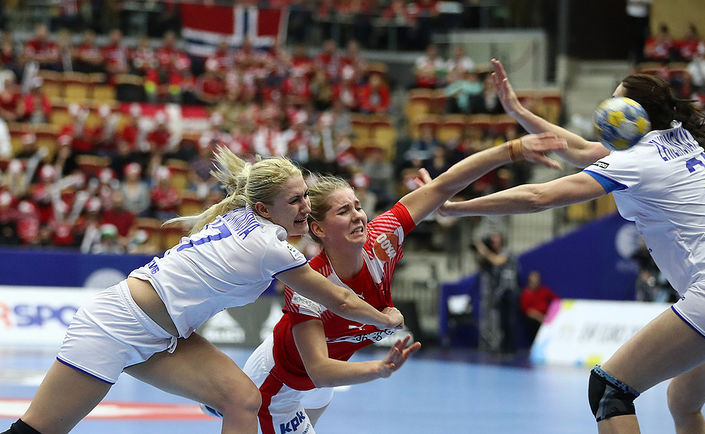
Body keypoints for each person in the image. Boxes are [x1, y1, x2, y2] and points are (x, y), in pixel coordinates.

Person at [439, 59, 705, 434]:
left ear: (636, 115)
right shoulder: (677, 137)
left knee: (610, 389)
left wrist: (457, 207)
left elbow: (538, 196)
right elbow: (578, 148)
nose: (606, 111)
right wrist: (518, 111)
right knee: (684, 400)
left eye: (616, 103)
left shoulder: (638, 161)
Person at [2, 147, 404, 434]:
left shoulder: (245, 217)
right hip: (116, 327)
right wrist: (385, 318)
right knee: (38, 430)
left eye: (306, 197)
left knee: (243, 400)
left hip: (168, 337)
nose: (306, 209)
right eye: (296, 200)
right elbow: (340, 299)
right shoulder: (269, 245)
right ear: (264, 209)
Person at [203, 129, 568, 433]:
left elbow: (443, 187)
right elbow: (319, 368)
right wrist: (379, 368)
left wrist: (512, 148)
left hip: (320, 387)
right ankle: (223, 400)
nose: (360, 216)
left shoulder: (383, 238)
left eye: (358, 206)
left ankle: (219, 402)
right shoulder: (309, 283)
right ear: (318, 229)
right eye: (344, 211)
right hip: (284, 379)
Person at [519, 270, 559, 345]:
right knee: (531, 321)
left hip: (546, 316)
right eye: (532, 281)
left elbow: (556, 300)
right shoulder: (526, 294)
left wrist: (550, 315)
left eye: (536, 280)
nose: (534, 283)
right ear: (529, 281)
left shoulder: (544, 291)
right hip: (534, 319)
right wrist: (541, 318)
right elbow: (528, 311)